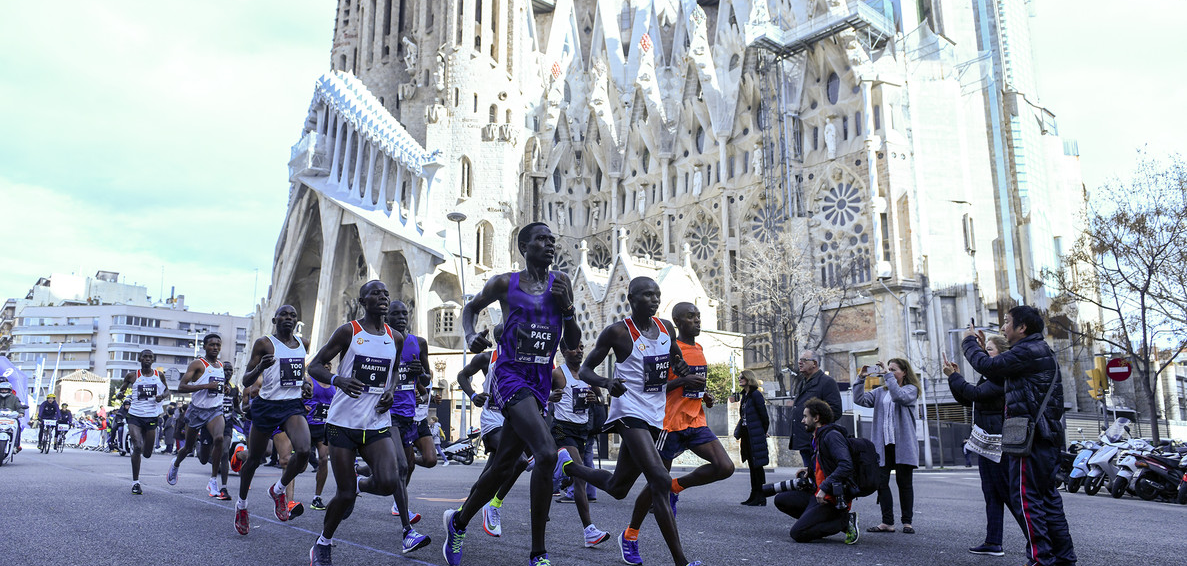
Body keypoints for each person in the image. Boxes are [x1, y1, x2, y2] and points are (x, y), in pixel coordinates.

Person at [442, 222, 581, 566]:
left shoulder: (561, 284)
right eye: (541, 240)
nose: (549, 244)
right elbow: (471, 308)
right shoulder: (506, 283)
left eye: (552, 240)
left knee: (504, 465)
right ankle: (538, 553)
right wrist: (470, 334)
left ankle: (458, 522)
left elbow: (574, 341)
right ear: (524, 247)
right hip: (509, 375)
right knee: (546, 453)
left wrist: (567, 309)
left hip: (540, 379)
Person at [560, 276, 701, 566]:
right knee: (660, 480)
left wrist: (679, 365)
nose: (654, 299)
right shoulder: (618, 333)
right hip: (628, 412)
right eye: (647, 295)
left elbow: (674, 356)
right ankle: (682, 562)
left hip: (654, 414)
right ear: (631, 299)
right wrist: (607, 382)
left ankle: (569, 467)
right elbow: (586, 370)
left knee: (617, 486)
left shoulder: (665, 328)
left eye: (657, 295)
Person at [306, 280, 430, 566]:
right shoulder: (349, 331)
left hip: (376, 422)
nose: (383, 297)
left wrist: (390, 391)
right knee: (344, 494)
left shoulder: (395, 337)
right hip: (343, 424)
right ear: (363, 302)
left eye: (386, 293)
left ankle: (362, 484)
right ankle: (323, 542)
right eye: (375, 293)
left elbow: (395, 372)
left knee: (389, 480)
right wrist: (338, 380)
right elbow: (314, 365)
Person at [963, 306, 1076, 566]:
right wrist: (981, 350)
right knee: (1047, 499)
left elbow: (986, 365)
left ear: (1022, 327)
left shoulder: (1027, 351)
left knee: (1027, 499)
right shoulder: (1035, 351)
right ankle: (1063, 558)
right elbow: (995, 370)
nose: (1003, 327)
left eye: (1007, 322)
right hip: (1043, 439)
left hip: (1030, 440)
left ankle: (1040, 559)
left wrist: (969, 341)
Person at [622, 302, 734, 546]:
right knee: (655, 485)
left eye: (698, 316)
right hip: (669, 425)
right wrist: (684, 381)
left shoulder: (700, 347)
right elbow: (650, 387)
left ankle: (676, 487)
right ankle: (630, 534)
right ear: (678, 322)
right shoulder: (666, 350)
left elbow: (694, 384)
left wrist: (704, 394)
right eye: (691, 317)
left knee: (725, 467)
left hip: (695, 421)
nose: (697, 320)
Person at [235, 305, 314, 534]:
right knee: (254, 459)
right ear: (275, 319)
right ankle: (242, 505)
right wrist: (260, 366)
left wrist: (306, 384)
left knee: (304, 451)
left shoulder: (302, 344)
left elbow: (302, 373)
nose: (288, 318)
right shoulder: (265, 343)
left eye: (293, 316)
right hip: (267, 406)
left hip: (291, 405)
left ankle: (278, 490)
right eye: (284, 315)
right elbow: (246, 379)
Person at [453, 328, 532, 539]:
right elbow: (462, 376)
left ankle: (459, 520)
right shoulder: (486, 359)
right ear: (500, 340)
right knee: (520, 462)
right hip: (493, 418)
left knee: (488, 477)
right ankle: (494, 505)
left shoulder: (523, 360)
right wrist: (473, 395)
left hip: (513, 417)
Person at [946, 334, 1013, 557]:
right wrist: (954, 378)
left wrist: (954, 376)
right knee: (991, 492)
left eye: (990, 350)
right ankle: (993, 542)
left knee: (1007, 493)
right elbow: (969, 399)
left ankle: (1040, 545)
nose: (986, 355)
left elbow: (974, 394)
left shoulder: (1002, 377)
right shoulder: (990, 376)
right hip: (986, 442)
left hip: (998, 442)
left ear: (1001, 354)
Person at [550, 341, 611, 547]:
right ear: (563, 352)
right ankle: (589, 530)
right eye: (574, 348)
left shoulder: (587, 374)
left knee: (573, 474)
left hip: (582, 430)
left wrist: (596, 398)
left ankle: (553, 476)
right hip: (560, 427)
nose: (579, 351)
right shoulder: (558, 374)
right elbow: (538, 395)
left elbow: (602, 399)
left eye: (582, 347)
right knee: (580, 475)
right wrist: (550, 397)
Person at [775, 398, 860, 544]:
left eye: (805, 416)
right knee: (781, 499)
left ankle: (844, 521)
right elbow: (825, 463)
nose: (802, 421)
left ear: (816, 418)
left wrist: (825, 487)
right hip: (818, 494)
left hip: (831, 498)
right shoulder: (818, 436)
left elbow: (846, 465)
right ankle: (816, 522)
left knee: (798, 533)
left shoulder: (832, 436)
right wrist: (810, 469)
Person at [854, 359, 920, 534]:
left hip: (902, 445)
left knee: (904, 483)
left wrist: (888, 376)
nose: (887, 372)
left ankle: (907, 522)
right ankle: (887, 522)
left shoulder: (910, 390)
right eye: (887, 369)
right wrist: (861, 378)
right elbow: (859, 399)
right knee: (881, 483)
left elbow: (899, 396)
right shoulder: (879, 393)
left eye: (893, 369)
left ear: (904, 372)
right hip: (882, 446)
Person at [385, 300, 435, 522]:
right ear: (387, 318)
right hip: (387, 411)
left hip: (410, 413)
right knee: (404, 466)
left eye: (404, 313)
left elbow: (426, 377)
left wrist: (420, 372)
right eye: (396, 314)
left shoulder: (419, 342)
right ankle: (406, 523)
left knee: (412, 464)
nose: (402, 317)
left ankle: (365, 478)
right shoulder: (382, 341)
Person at [168, 334, 228, 491]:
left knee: (220, 438)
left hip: (215, 411)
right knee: (188, 448)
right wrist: (206, 387)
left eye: (218, 345)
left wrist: (224, 389)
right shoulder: (198, 364)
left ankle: (213, 480)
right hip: (197, 411)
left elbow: (217, 386)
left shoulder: (220, 365)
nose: (215, 347)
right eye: (211, 345)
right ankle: (176, 464)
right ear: (205, 346)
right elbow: (181, 386)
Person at [115, 350, 170, 495]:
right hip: (135, 416)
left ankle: (141, 454)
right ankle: (135, 482)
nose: (147, 359)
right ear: (140, 359)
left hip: (152, 417)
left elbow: (167, 392)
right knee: (137, 446)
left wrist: (161, 397)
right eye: (144, 356)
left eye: (150, 357)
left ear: (153, 360)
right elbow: (121, 391)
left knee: (147, 453)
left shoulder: (159, 375)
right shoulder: (132, 376)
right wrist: (120, 394)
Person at [789, 351, 842, 466]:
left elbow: (835, 411)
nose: (799, 362)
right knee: (809, 477)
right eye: (799, 360)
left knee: (818, 477)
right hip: (803, 440)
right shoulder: (802, 383)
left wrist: (816, 423)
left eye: (804, 360)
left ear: (814, 363)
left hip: (817, 441)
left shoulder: (827, 382)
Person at [736, 370, 770, 505]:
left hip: (755, 435)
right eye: (739, 377)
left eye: (741, 377)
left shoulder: (756, 395)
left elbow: (764, 416)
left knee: (757, 467)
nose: (739, 379)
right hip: (746, 435)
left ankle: (760, 496)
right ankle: (753, 495)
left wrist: (762, 431)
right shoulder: (745, 396)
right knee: (751, 465)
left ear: (748, 379)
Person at [305, 361, 335, 511]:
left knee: (323, 460)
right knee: (300, 463)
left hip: (323, 427)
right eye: (324, 363)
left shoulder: (334, 383)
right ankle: (283, 489)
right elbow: (298, 395)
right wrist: (302, 405)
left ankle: (317, 497)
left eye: (329, 364)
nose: (327, 366)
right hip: (307, 425)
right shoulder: (310, 380)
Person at [0, 381, 29, 450]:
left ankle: (16, 445)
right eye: (2, 389)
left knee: (18, 427)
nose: (4, 391)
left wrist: (21, 413)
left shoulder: (14, 398)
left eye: (5, 389)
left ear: (9, 390)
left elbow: (19, 406)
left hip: (11, 418)